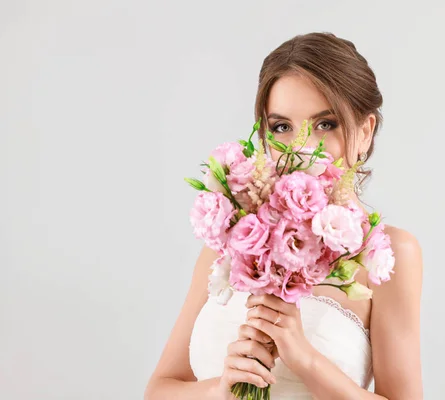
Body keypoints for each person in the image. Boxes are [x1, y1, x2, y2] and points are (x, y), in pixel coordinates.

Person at [145, 32, 424, 400]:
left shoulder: (387, 255)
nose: (302, 148)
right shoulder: (233, 238)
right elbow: (160, 390)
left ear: (365, 131)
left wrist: (305, 359)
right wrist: (222, 389)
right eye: (282, 127)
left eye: (325, 124)